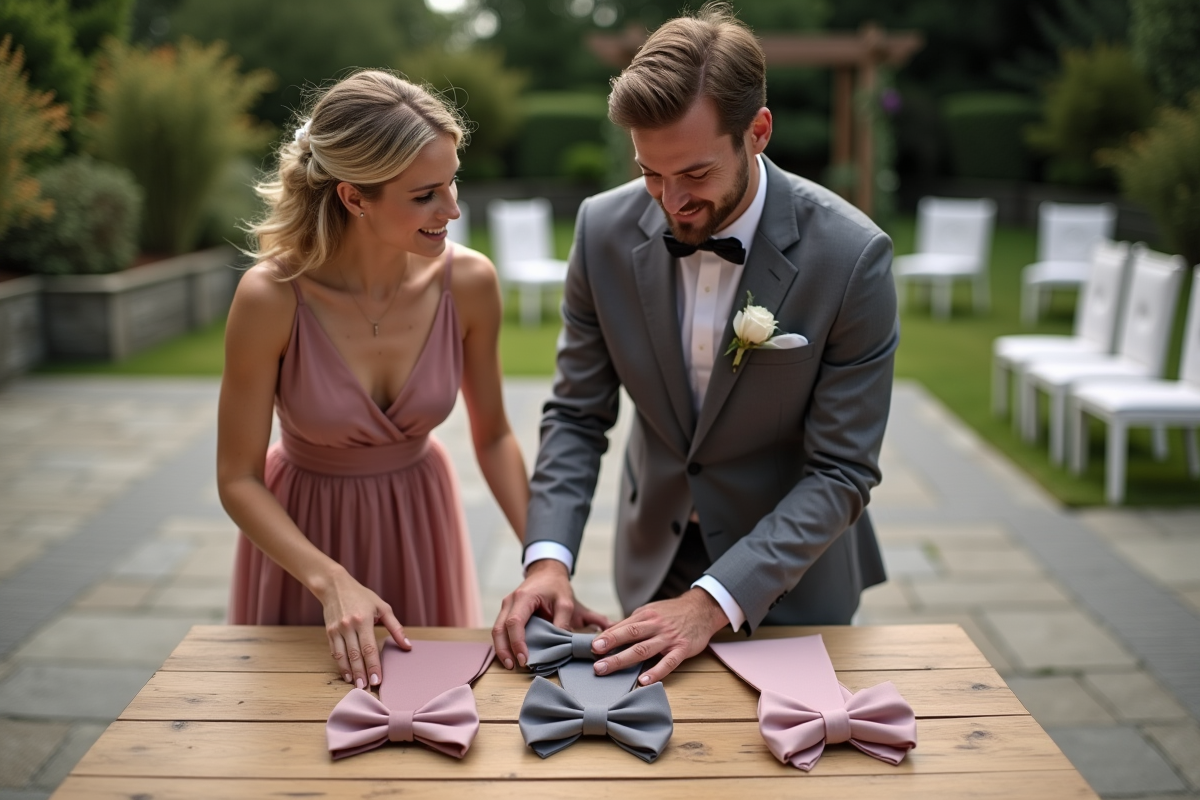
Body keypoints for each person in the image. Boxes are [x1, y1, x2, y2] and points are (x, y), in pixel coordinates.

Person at [492, 2, 897, 686]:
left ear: (757, 131)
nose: (671, 202)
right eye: (651, 173)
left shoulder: (851, 258)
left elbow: (841, 472)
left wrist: (713, 601)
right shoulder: (602, 231)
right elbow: (576, 414)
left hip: (795, 585)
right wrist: (548, 558)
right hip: (654, 562)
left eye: (696, 175)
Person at [219, 70, 529, 691]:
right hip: (302, 538)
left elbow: (493, 436)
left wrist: (545, 559)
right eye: (425, 196)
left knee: (433, 735)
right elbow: (238, 478)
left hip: (421, 524)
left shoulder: (469, 284)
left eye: (452, 183)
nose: (454, 209)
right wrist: (328, 580)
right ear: (354, 197)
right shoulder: (270, 298)